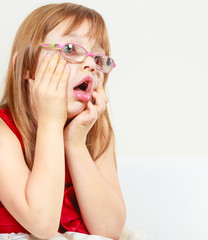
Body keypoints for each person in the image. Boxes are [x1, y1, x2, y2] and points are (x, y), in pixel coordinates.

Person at [0, 3, 127, 240]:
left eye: (99, 58)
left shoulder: (95, 131)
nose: (90, 64)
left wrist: (75, 143)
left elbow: (110, 230)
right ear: (27, 66)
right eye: (70, 48)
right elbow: (41, 223)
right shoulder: (3, 132)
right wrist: (50, 121)